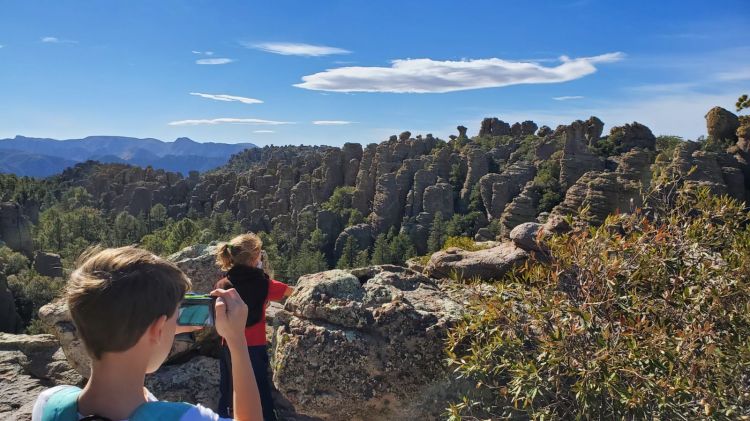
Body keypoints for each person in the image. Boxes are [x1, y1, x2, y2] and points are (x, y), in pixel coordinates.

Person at [31, 246, 263, 421]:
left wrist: (158, 332)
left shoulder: (49, 402)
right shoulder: (184, 417)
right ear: (157, 329)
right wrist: (237, 342)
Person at [214, 234, 292, 421]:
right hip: (254, 346)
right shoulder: (264, 284)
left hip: (228, 344)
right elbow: (292, 292)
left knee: (228, 388)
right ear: (253, 259)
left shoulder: (223, 284)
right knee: (257, 389)